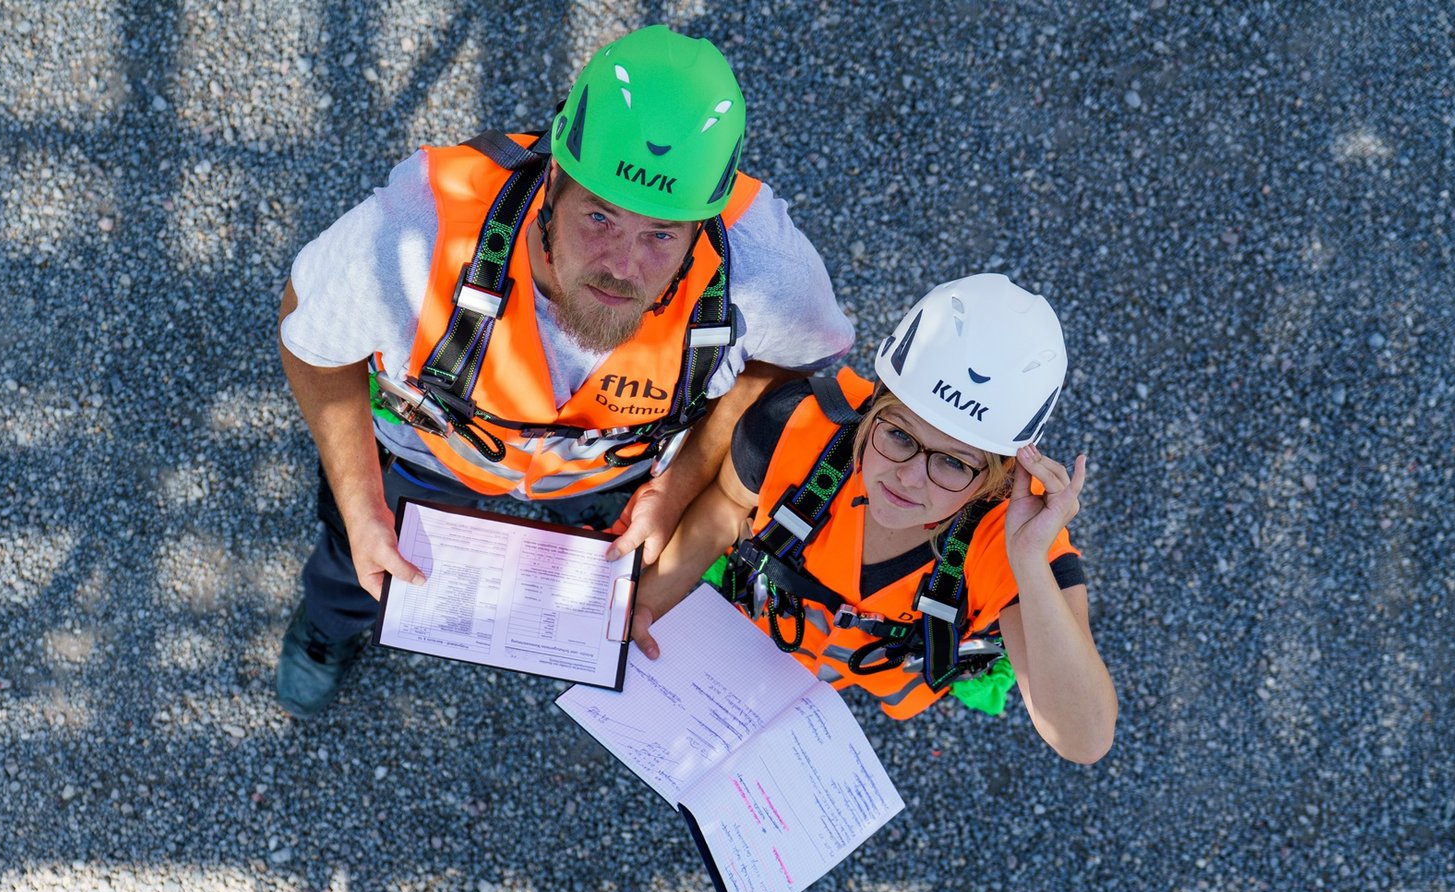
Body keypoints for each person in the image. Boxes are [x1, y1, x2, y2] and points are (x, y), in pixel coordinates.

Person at [273, 25, 855, 718]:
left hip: (617, 472)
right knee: (352, 555)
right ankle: (331, 625)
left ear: (705, 226)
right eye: (600, 217)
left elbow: (790, 372)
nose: (621, 266)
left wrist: (680, 485)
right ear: (552, 179)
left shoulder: (768, 272)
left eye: (661, 235)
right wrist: (362, 503)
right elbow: (310, 336)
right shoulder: (419, 231)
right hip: (424, 453)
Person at [628, 274, 1118, 763]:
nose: (909, 478)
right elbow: (728, 507)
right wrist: (652, 597)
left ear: (999, 478)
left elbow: (1084, 739)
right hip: (769, 634)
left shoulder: (1014, 540)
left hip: (877, 668)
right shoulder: (792, 428)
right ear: (872, 406)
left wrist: (1030, 562)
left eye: (953, 463)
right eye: (899, 435)